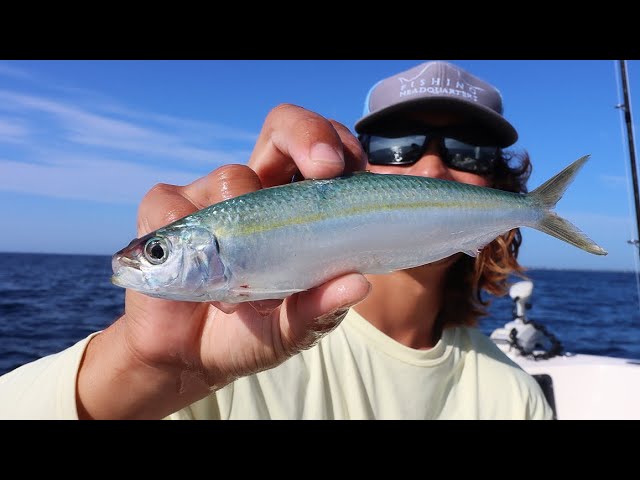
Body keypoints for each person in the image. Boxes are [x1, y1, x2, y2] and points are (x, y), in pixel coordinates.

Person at [0, 61, 553, 420]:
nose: (431, 168)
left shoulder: (514, 398)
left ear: (502, 188)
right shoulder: (230, 363)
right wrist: (144, 369)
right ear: (355, 167)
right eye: (398, 146)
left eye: (469, 152)